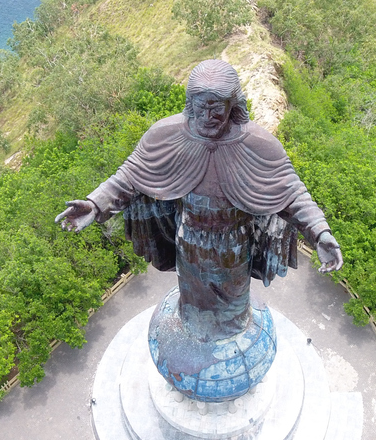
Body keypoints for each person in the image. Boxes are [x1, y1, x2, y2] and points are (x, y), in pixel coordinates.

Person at [57, 60, 342, 399]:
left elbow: (292, 192)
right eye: (202, 107)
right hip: (189, 241)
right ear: (190, 105)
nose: (209, 116)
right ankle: (192, 332)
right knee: (192, 310)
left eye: (217, 108)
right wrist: (94, 204)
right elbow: (129, 177)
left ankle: (231, 341)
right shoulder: (166, 135)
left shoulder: (258, 144)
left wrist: (320, 232)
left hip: (233, 246)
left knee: (233, 313)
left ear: (232, 106)